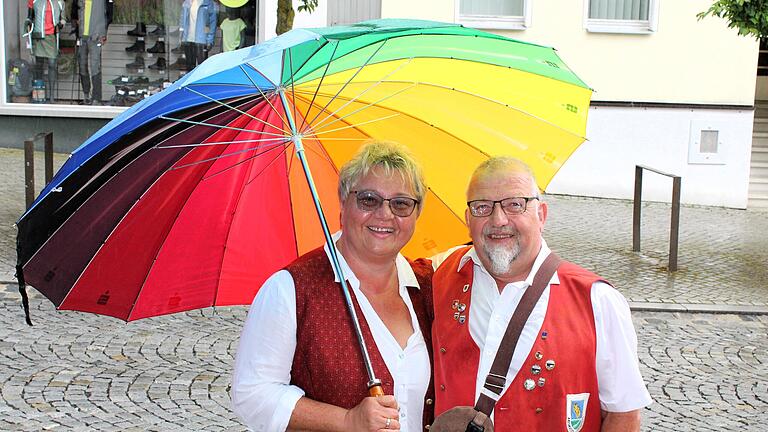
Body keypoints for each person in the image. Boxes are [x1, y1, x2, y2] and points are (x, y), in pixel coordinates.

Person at [431, 157, 652, 431]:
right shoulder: (440, 274)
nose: (498, 220)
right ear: (468, 219)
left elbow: (624, 415)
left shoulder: (597, 301)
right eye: (482, 207)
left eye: (515, 204)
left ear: (541, 215)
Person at [232, 141, 435, 432]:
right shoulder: (291, 289)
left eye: (401, 203)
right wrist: (346, 420)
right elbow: (252, 393)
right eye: (368, 200)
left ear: (416, 213)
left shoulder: (426, 286)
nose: (385, 215)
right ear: (343, 201)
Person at [71, 0, 113, 105]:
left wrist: (103, 33)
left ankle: (96, 98)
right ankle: (86, 95)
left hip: (96, 37)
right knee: (82, 66)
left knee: (95, 67)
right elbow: (74, 11)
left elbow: (109, 14)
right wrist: (75, 25)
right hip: (81, 36)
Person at [26, 0, 65, 103]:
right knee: (39, 65)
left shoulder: (59, 2)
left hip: (51, 37)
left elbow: (63, 19)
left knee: (52, 64)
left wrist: (60, 24)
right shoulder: (34, 1)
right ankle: (39, 95)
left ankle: (51, 96)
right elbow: (29, 16)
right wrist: (28, 23)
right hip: (38, 36)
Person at [180, 0, 218, 69]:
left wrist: (209, 39)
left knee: (202, 67)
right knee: (189, 67)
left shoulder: (208, 3)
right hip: (188, 39)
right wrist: (181, 37)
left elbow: (212, 23)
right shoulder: (187, 3)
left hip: (201, 40)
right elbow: (182, 21)